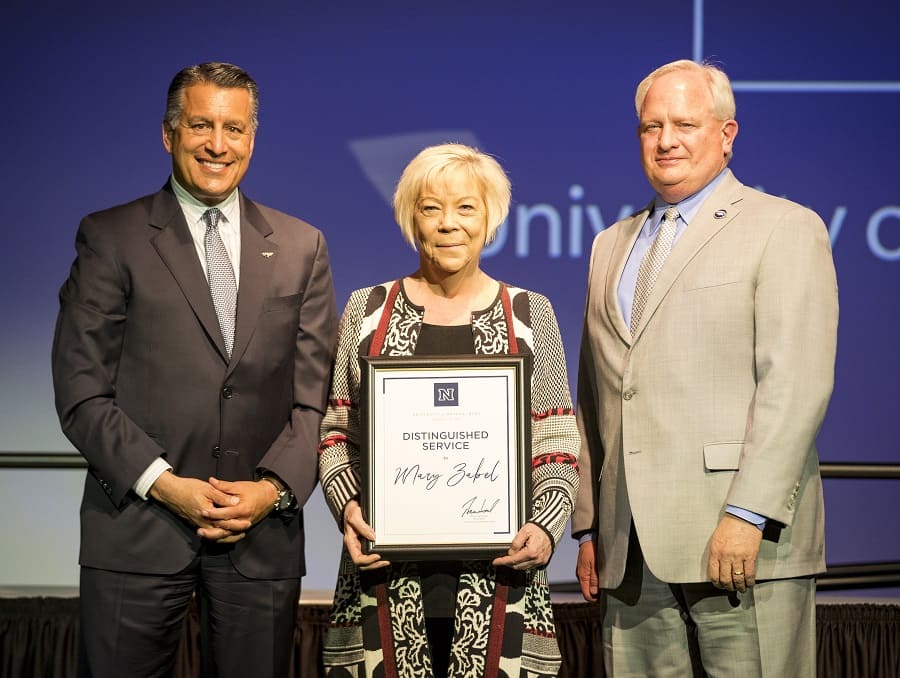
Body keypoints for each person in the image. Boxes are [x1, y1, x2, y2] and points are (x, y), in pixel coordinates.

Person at [51, 62, 337, 678]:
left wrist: (271, 490)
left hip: (260, 537)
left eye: (234, 129)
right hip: (136, 527)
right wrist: (165, 484)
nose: (217, 144)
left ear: (252, 139)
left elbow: (316, 399)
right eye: (201, 125)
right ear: (168, 133)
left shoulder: (301, 245)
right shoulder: (110, 237)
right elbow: (81, 393)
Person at [572, 59, 838, 676]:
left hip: (740, 539)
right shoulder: (609, 244)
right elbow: (596, 392)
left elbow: (795, 387)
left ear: (727, 134)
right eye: (651, 126)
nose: (666, 140)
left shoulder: (784, 228)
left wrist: (749, 514)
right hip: (628, 549)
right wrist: (589, 528)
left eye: (685, 124)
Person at [318, 143, 580, 677]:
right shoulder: (367, 312)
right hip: (384, 578)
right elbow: (337, 431)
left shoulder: (529, 315)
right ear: (411, 219)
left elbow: (556, 440)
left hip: (501, 579)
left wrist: (547, 527)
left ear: (491, 219)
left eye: (466, 208)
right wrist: (348, 510)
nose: (448, 224)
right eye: (430, 207)